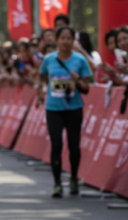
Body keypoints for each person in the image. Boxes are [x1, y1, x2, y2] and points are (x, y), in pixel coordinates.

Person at [39, 26, 91, 198]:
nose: (66, 41)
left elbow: (86, 88)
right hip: (54, 108)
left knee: (73, 145)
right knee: (56, 145)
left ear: (73, 40)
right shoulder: (49, 60)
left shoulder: (80, 60)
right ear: (57, 39)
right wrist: (41, 91)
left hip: (74, 108)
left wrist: (77, 80)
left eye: (69, 38)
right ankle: (57, 183)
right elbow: (42, 78)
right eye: (63, 38)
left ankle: (74, 178)